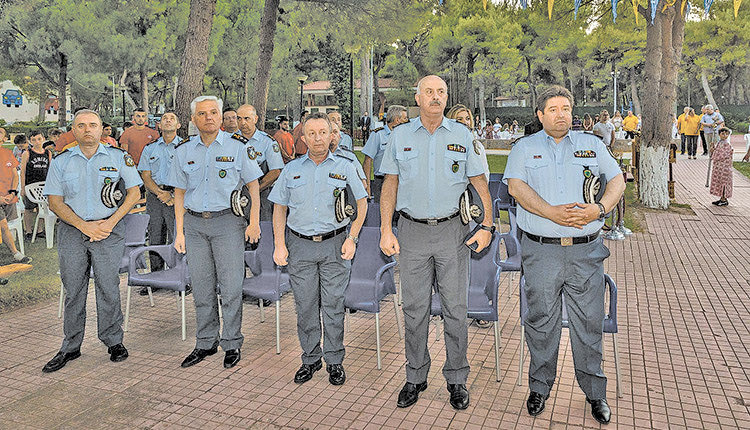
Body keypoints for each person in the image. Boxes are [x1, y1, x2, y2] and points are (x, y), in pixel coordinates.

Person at [504, 85, 625, 425]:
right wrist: (551, 213)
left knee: (589, 324)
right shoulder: (525, 148)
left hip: (586, 252)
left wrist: (600, 208)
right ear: (540, 115)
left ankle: (595, 394)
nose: (561, 114)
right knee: (541, 321)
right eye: (553, 109)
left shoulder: (592, 144)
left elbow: (617, 181)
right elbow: (516, 187)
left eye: (566, 108)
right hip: (541, 252)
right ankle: (539, 387)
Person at [379, 75, 493, 411]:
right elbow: (389, 185)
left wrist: (486, 224)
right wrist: (387, 229)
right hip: (412, 232)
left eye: (441, 92)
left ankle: (457, 379)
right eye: (429, 91)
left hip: (452, 233)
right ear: (417, 97)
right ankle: (415, 376)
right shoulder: (399, 136)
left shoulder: (462, 134)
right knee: (414, 310)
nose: (435, 97)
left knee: (455, 310)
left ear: (446, 97)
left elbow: (479, 183)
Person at [269, 112, 367, 386]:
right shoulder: (292, 169)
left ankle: (334, 361)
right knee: (306, 306)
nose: (318, 138)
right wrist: (279, 243)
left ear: (332, 134)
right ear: (303, 138)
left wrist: (353, 237)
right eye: (311, 133)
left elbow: (362, 203)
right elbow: (279, 208)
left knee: (334, 306)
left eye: (323, 132)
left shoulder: (346, 166)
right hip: (300, 247)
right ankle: (310, 359)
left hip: (336, 245)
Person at [42, 109, 142, 373]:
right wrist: (83, 225)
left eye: (93, 125)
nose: (88, 130)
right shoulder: (61, 161)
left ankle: (113, 340)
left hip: (108, 231)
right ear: (73, 130)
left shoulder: (119, 157)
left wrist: (109, 223)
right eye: (82, 125)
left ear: (101, 129)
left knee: (108, 286)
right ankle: (70, 346)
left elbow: (133, 193)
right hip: (73, 232)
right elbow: (54, 201)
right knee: (73, 289)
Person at [168, 96, 262, 370]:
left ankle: (231, 342)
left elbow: (254, 186)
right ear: (194, 119)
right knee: (201, 287)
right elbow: (179, 194)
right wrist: (179, 232)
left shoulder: (238, 147)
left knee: (231, 287)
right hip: (195, 225)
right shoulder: (183, 151)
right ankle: (206, 342)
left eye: (213, 113)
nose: (208, 117)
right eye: (202, 114)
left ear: (220, 117)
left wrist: (253, 222)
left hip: (228, 223)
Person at [137, 111, 181, 282]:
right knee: (155, 236)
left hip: (177, 196)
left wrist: (171, 195)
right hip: (155, 197)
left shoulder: (185, 147)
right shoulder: (150, 148)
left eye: (172, 119)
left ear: (178, 125)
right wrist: (161, 193)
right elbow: (145, 175)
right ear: (159, 125)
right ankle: (156, 277)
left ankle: (179, 276)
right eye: (165, 119)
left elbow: (188, 174)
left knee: (177, 235)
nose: (168, 121)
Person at [235, 104, 284, 222]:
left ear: (255, 119)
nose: (242, 122)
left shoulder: (267, 142)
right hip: (234, 196)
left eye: (247, 118)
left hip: (261, 195)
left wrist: (255, 190)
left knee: (263, 234)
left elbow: (276, 171)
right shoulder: (230, 140)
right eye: (239, 118)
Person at [362, 105, 408, 200]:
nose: (407, 120)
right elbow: (367, 161)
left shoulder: (405, 136)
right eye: (405, 118)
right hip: (381, 181)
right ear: (397, 120)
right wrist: (367, 186)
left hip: (402, 181)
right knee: (382, 212)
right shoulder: (377, 135)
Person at [20, 129, 52, 240]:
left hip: (43, 186)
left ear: (43, 139)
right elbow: (22, 171)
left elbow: (50, 170)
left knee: (42, 208)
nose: (37, 142)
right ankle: (28, 231)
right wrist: (23, 188)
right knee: (29, 209)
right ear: (30, 141)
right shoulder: (27, 153)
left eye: (39, 139)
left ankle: (40, 230)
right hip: (30, 186)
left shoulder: (48, 153)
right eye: (34, 140)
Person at [709, 127, 733, 206]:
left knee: (724, 183)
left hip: (725, 168)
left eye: (726, 134)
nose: (724, 135)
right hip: (719, 167)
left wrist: (714, 153)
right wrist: (712, 149)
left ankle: (724, 199)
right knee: (719, 182)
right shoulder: (719, 143)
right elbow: (716, 153)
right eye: (723, 134)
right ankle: (721, 198)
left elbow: (722, 155)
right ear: (719, 135)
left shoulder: (727, 144)